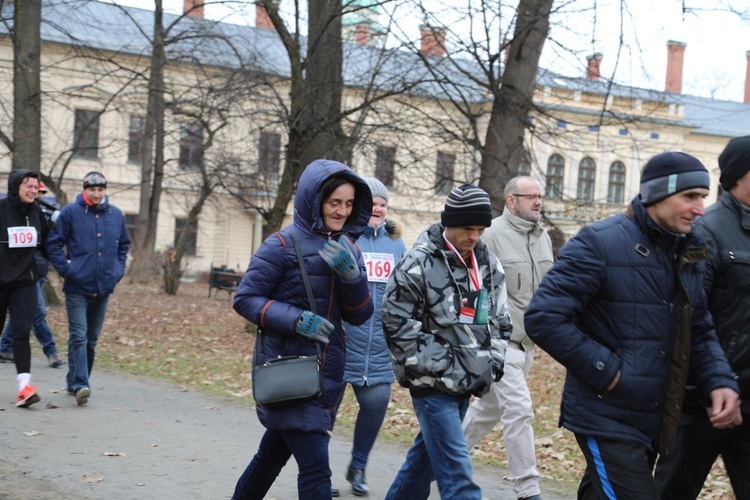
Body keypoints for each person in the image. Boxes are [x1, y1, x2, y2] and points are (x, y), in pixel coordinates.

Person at [524, 151, 742, 499]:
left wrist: (718, 380)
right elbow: (543, 318)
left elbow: (698, 328)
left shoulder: (689, 251)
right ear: (657, 195)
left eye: (703, 197)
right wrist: (609, 373)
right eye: (690, 197)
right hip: (606, 413)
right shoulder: (599, 241)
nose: (700, 208)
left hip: (653, 417)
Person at [231, 159, 374, 500]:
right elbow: (246, 299)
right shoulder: (281, 244)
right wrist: (297, 320)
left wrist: (352, 278)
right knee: (316, 472)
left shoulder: (349, 247)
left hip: (327, 375)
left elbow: (360, 314)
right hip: (290, 371)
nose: (341, 211)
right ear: (315, 200)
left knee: (269, 458)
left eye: (349, 204)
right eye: (334, 202)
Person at [382, 183, 512, 500]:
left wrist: (489, 363)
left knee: (422, 465)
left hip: (469, 381)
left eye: (481, 230)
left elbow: (501, 321)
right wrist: (447, 366)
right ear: (449, 223)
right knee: (458, 476)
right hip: (431, 384)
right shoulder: (417, 264)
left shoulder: (488, 266)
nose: (474, 237)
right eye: (468, 228)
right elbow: (395, 323)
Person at [654, 136, 750, 499]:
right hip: (701, 402)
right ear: (740, 175)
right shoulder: (705, 230)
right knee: (673, 492)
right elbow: (687, 318)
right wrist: (713, 382)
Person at [461, 176, 552, 500]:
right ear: (511, 200)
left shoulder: (543, 237)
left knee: (487, 411)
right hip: (499, 344)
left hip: (527, 346)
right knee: (520, 409)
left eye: (540, 196)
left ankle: (441, 460)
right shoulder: (492, 236)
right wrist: (481, 339)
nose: (538, 202)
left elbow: (546, 292)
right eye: (531, 197)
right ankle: (528, 489)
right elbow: (475, 290)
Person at [339, 177, 406, 497]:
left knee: (377, 403)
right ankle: (316, 471)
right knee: (323, 412)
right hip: (341, 340)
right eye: (372, 202)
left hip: (380, 344)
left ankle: (358, 466)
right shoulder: (343, 238)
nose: (378, 208)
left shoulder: (397, 244)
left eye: (383, 203)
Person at [46, 171, 130, 406]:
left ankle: (75, 381)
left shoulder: (116, 215)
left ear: (105, 190)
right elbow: (53, 244)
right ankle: (82, 384)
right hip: (76, 287)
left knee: (90, 340)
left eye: (100, 189)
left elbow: (124, 245)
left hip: (104, 287)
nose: (96, 194)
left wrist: (117, 271)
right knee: (79, 336)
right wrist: (66, 270)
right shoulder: (71, 213)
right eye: (91, 189)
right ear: (85, 190)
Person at [0, 181, 64, 368]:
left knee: (23, 314)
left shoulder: (44, 214)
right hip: (25, 274)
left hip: (40, 273)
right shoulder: (17, 214)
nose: (39, 195)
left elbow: (51, 242)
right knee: (39, 312)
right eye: (36, 191)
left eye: (41, 192)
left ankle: (5, 346)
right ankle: (51, 351)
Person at [0, 169, 50, 407]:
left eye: (35, 187)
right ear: (15, 187)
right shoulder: (1, 209)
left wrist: (69, 266)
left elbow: (47, 245)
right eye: (28, 186)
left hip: (25, 282)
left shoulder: (37, 211)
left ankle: (24, 389)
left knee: (21, 333)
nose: (33, 190)